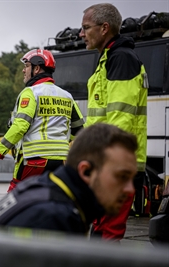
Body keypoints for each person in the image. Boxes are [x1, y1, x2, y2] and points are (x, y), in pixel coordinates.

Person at [0, 123, 138, 236]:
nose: (130, 189)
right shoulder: (56, 218)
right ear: (86, 172)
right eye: (121, 177)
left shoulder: (45, 189)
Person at [79, 3, 148, 242]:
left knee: (106, 235)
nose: (81, 34)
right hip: (106, 162)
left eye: (86, 27)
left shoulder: (121, 58)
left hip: (114, 166)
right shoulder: (109, 58)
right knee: (99, 232)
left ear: (104, 28)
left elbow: (121, 119)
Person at [0, 49, 84, 192]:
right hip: (60, 161)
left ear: (37, 68)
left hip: (35, 159)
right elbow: (79, 130)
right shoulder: (67, 96)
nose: (23, 70)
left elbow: (20, 126)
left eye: (26, 66)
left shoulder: (31, 92)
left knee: (16, 200)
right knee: (48, 200)